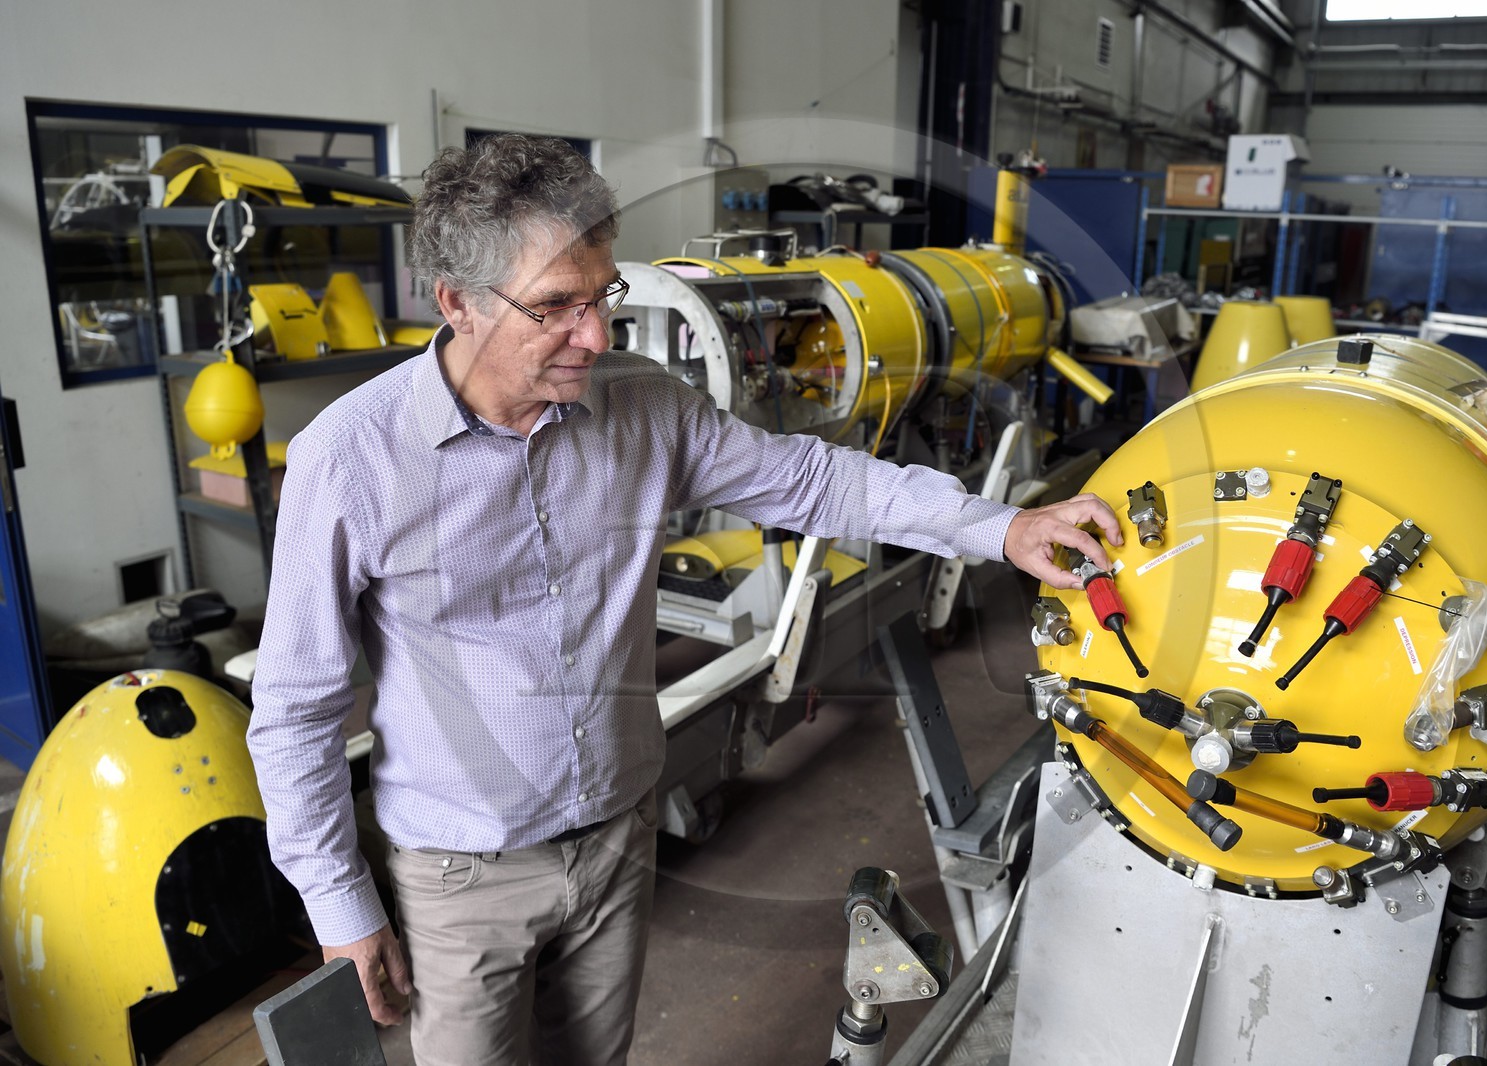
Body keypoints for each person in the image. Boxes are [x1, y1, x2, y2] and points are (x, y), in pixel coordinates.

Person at [246, 133, 1121, 1066]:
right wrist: (340, 905)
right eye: (554, 308)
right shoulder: (351, 460)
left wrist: (1000, 527)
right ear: (455, 303)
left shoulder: (644, 407)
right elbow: (297, 707)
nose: (596, 336)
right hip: (463, 880)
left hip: (618, 839)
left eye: (602, 296)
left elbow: (816, 481)